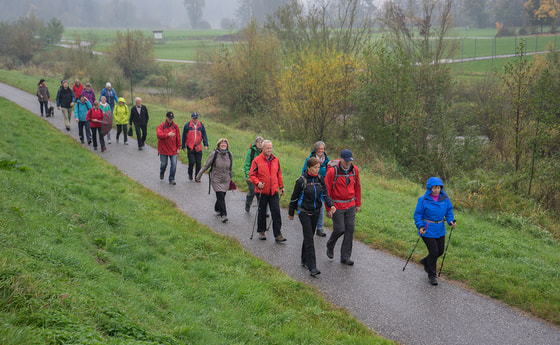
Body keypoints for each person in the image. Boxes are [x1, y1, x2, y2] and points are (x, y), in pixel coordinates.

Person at [289, 157, 336, 276]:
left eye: (318, 167)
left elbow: (325, 194)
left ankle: (304, 259)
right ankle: (312, 267)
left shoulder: (320, 179)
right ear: (309, 168)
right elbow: (294, 198)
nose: (317, 170)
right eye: (315, 167)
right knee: (310, 238)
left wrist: (331, 205)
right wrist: (291, 212)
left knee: (308, 235)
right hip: (303, 212)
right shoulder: (301, 181)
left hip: (315, 211)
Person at [414, 176, 456, 286]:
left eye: (438, 188)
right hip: (427, 230)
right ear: (429, 188)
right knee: (434, 252)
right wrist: (420, 226)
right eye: (434, 188)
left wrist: (451, 221)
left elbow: (449, 211)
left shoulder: (445, 198)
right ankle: (431, 275)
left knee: (440, 251)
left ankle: (426, 261)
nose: (436, 190)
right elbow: (417, 214)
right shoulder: (423, 200)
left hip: (440, 229)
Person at [325, 149, 361, 266]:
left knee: (350, 229)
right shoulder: (332, 172)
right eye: (345, 161)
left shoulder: (354, 170)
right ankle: (330, 244)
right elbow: (326, 191)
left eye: (349, 161)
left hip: (350, 205)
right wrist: (328, 208)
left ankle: (345, 257)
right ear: (340, 159)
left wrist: (358, 204)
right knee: (340, 228)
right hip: (337, 206)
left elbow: (358, 187)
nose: (347, 163)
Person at [249, 140, 286, 242]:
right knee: (262, 212)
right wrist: (257, 183)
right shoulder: (256, 160)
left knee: (276, 212)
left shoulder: (276, 160)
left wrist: (281, 187)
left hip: (274, 191)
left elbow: (279, 174)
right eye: (267, 148)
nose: (269, 150)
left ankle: (278, 234)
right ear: (263, 149)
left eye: (270, 148)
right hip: (262, 191)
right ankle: (261, 231)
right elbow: (252, 175)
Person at [196, 138, 233, 223]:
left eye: (225, 144)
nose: (223, 145)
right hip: (216, 178)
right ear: (219, 145)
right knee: (220, 195)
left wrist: (230, 176)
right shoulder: (214, 154)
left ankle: (217, 207)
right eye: (222, 144)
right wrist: (199, 175)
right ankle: (224, 215)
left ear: (227, 146)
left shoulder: (230, 155)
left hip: (226, 179)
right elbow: (206, 165)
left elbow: (231, 167)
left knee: (222, 196)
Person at [301, 141, 331, 237]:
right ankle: (310, 224)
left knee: (321, 206)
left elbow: (330, 172)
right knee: (312, 206)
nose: (321, 151)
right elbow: (304, 171)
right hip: (311, 185)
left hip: (322, 186)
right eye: (319, 149)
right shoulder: (309, 159)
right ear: (316, 150)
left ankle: (319, 228)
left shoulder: (327, 160)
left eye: (322, 149)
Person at [182, 112, 208, 182]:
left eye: (196, 118)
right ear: (191, 118)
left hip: (198, 146)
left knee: (198, 163)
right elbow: (184, 136)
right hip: (190, 147)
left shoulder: (201, 125)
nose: (195, 119)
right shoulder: (187, 125)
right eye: (194, 118)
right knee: (192, 162)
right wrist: (183, 145)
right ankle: (190, 174)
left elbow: (204, 135)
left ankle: (197, 177)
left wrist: (206, 144)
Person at [157, 111, 181, 185]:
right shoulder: (162, 125)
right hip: (163, 149)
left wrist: (178, 148)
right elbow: (158, 135)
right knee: (164, 164)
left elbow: (178, 138)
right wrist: (167, 135)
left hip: (173, 149)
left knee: (174, 164)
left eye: (172, 118)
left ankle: (171, 178)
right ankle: (162, 172)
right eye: (169, 118)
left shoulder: (175, 126)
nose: (171, 120)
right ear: (166, 117)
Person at [244, 136, 264, 212]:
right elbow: (247, 164)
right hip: (252, 176)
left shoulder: (265, 152)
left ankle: (262, 210)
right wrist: (247, 176)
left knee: (262, 194)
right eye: (258, 142)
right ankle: (248, 204)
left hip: (262, 177)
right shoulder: (251, 152)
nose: (260, 144)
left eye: (261, 142)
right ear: (255, 143)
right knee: (253, 192)